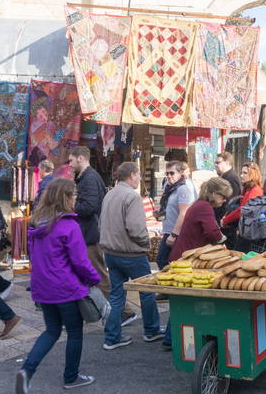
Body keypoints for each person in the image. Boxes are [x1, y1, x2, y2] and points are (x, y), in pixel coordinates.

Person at [15, 178, 100, 394]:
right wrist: (95, 278)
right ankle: (71, 377)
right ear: (65, 198)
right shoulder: (69, 226)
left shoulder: (37, 224)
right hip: (66, 289)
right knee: (74, 332)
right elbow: (81, 262)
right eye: (73, 196)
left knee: (51, 331)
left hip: (43, 288)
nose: (76, 200)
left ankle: (27, 370)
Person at [69, 146, 136, 326]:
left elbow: (89, 207)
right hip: (87, 233)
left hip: (91, 234)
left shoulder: (89, 178)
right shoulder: (86, 177)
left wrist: (71, 206)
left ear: (81, 158)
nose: (69, 164)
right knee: (90, 274)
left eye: (71, 160)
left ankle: (125, 312)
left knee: (98, 275)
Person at [100, 162, 164, 350]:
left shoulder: (110, 194)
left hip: (111, 252)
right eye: (138, 175)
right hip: (131, 253)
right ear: (132, 175)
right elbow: (136, 228)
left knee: (117, 295)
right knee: (146, 292)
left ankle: (112, 337)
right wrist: (146, 243)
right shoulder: (131, 196)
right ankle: (151, 330)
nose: (139, 179)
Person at [161, 177, 229, 349]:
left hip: (183, 255)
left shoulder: (199, 204)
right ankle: (173, 339)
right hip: (186, 259)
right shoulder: (205, 207)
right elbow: (212, 231)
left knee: (183, 301)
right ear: (214, 193)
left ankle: (172, 338)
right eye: (222, 196)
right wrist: (223, 240)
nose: (224, 200)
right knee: (185, 301)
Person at [156, 161, 195, 269]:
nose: (169, 176)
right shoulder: (169, 187)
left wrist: (173, 235)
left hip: (176, 233)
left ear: (180, 173)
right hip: (167, 231)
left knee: (162, 260)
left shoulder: (183, 189)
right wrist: (159, 213)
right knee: (169, 262)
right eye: (167, 173)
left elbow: (184, 213)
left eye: (172, 173)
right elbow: (169, 208)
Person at [221, 161, 264, 251]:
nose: (241, 175)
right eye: (241, 172)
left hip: (250, 234)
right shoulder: (248, 188)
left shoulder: (255, 190)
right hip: (246, 231)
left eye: (245, 173)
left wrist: (226, 220)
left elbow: (242, 210)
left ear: (253, 174)